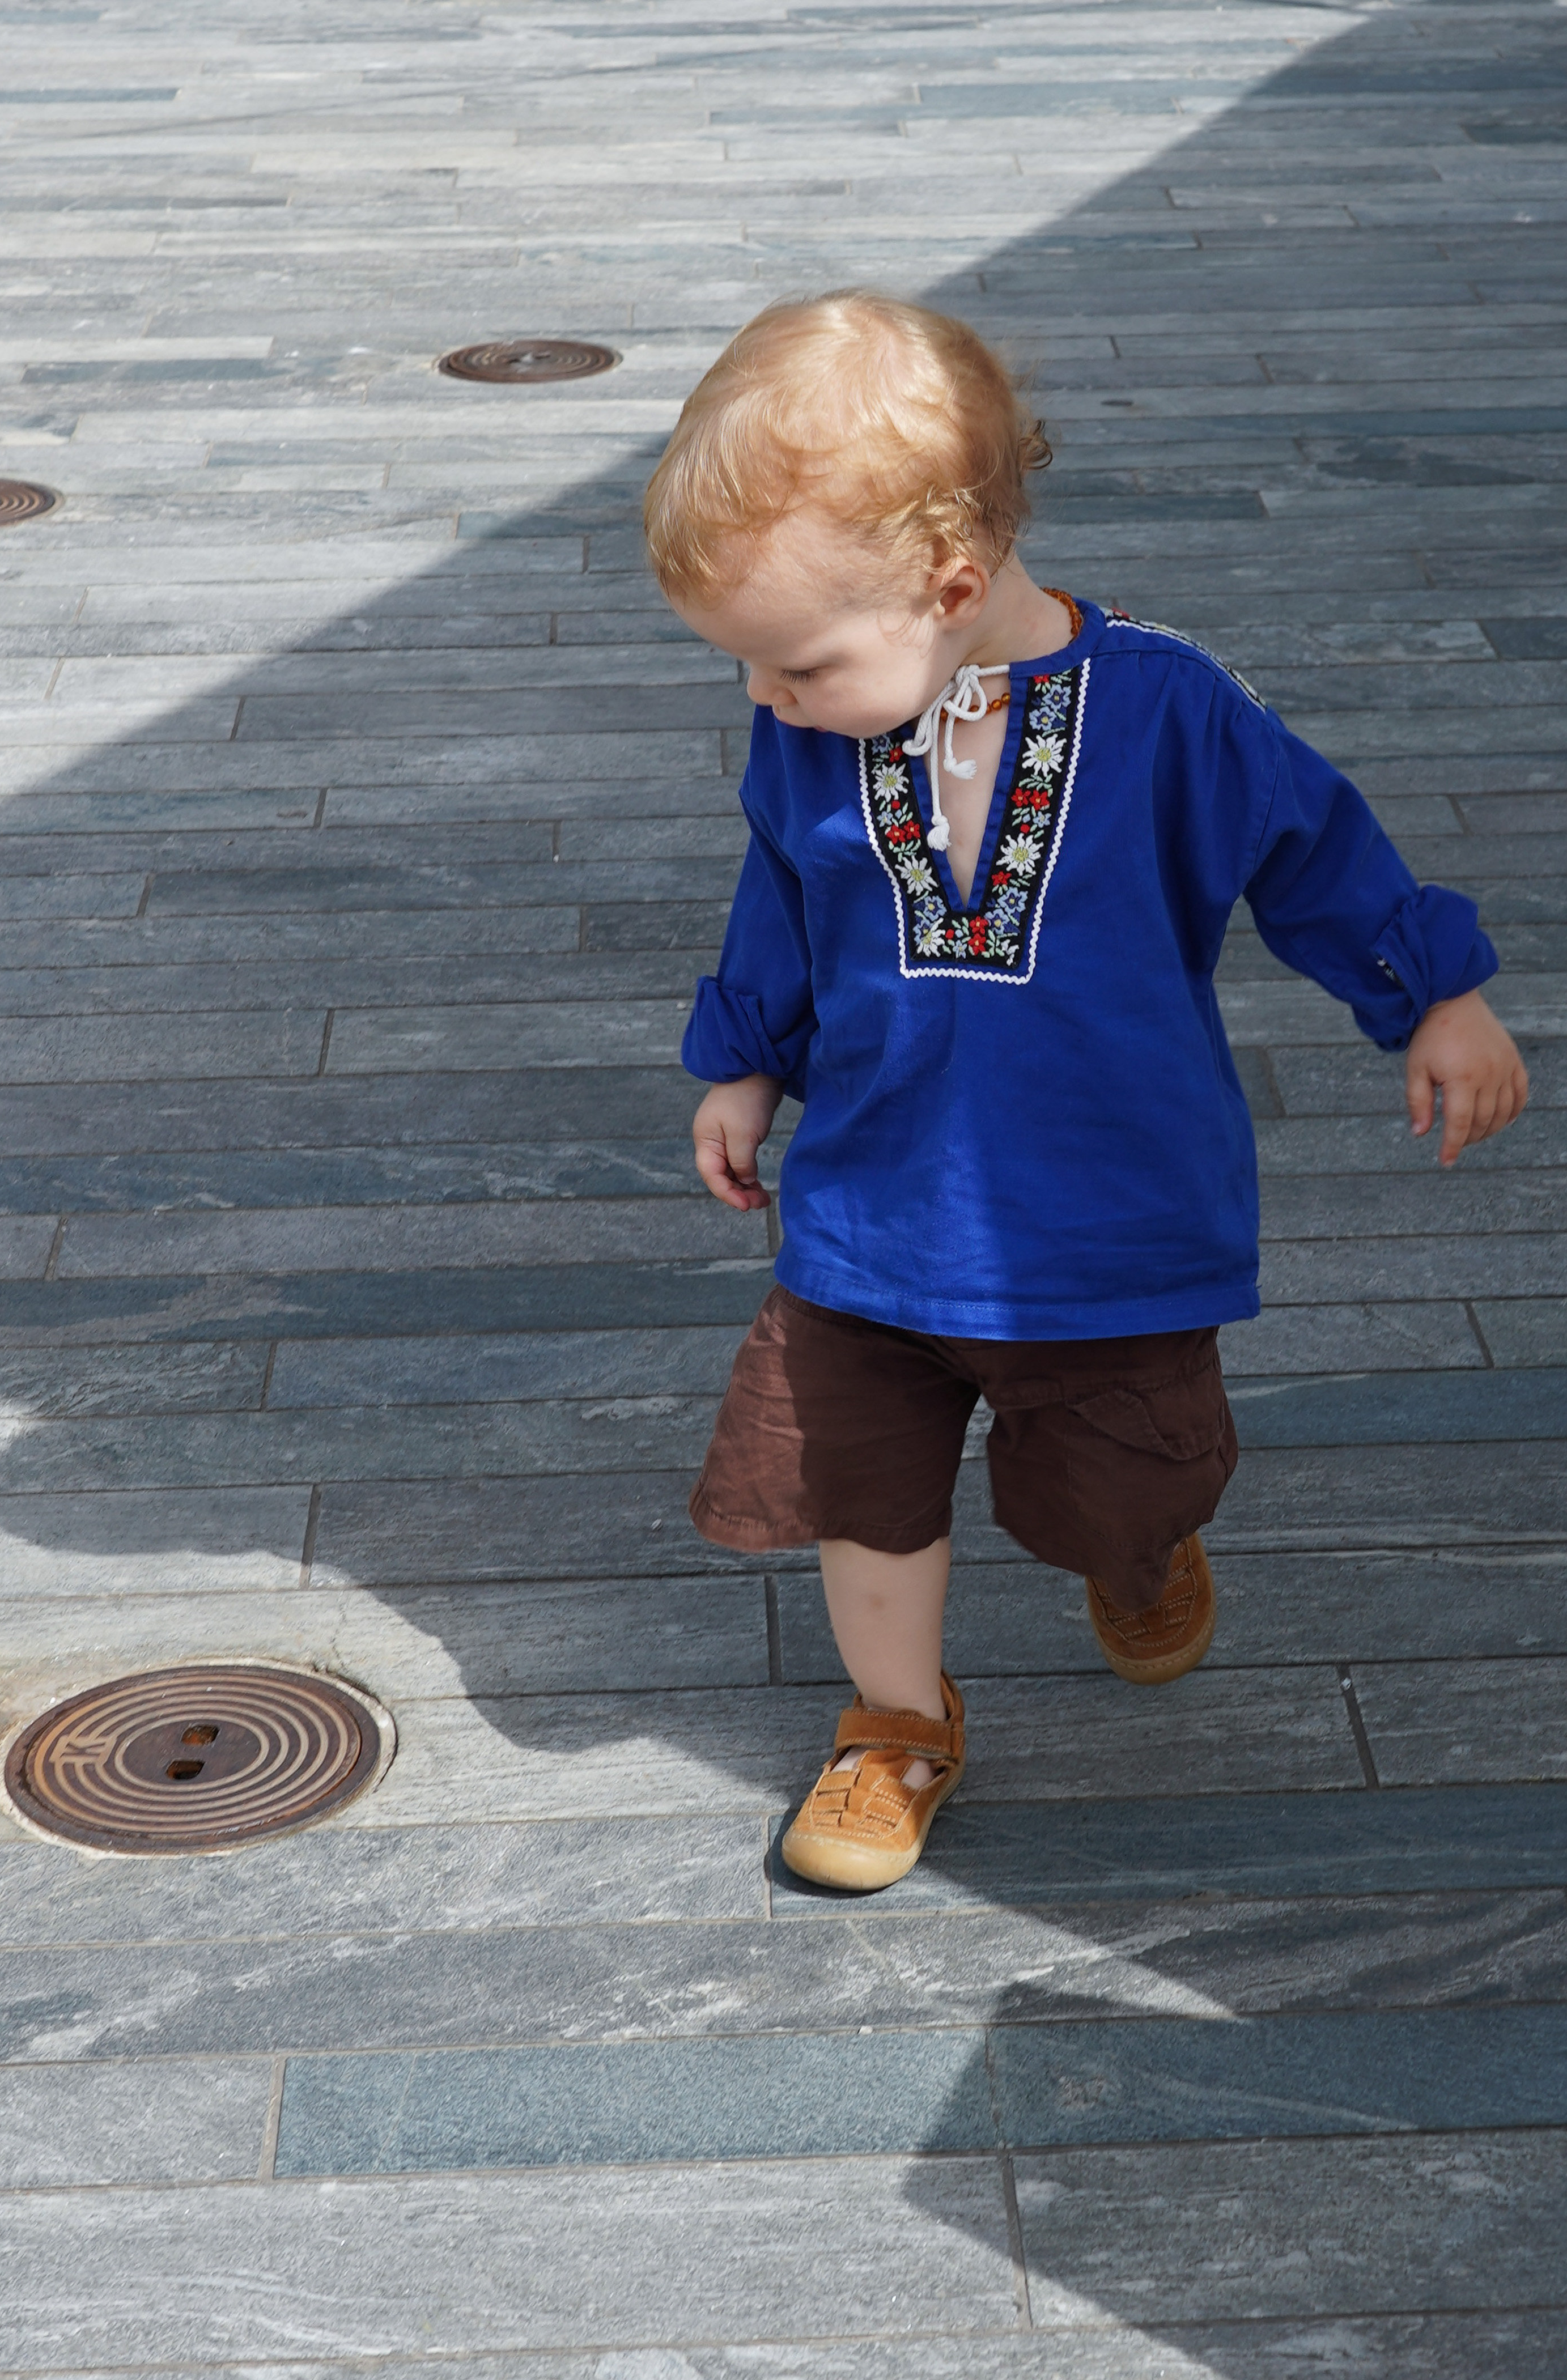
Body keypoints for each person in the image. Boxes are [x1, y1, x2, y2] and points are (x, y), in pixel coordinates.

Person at [642, 289, 1529, 1894]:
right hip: (872, 1217)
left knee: (1113, 1482)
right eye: (755, 671)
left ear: (954, 585)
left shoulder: (1172, 711)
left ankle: (1139, 1547)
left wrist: (1436, 1001)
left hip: (1110, 1219)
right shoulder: (813, 737)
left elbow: (1314, 847)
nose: (770, 704)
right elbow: (781, 895)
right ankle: (895, 1726)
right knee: (866, 1484)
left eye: (799, 668)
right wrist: (747, 1063)